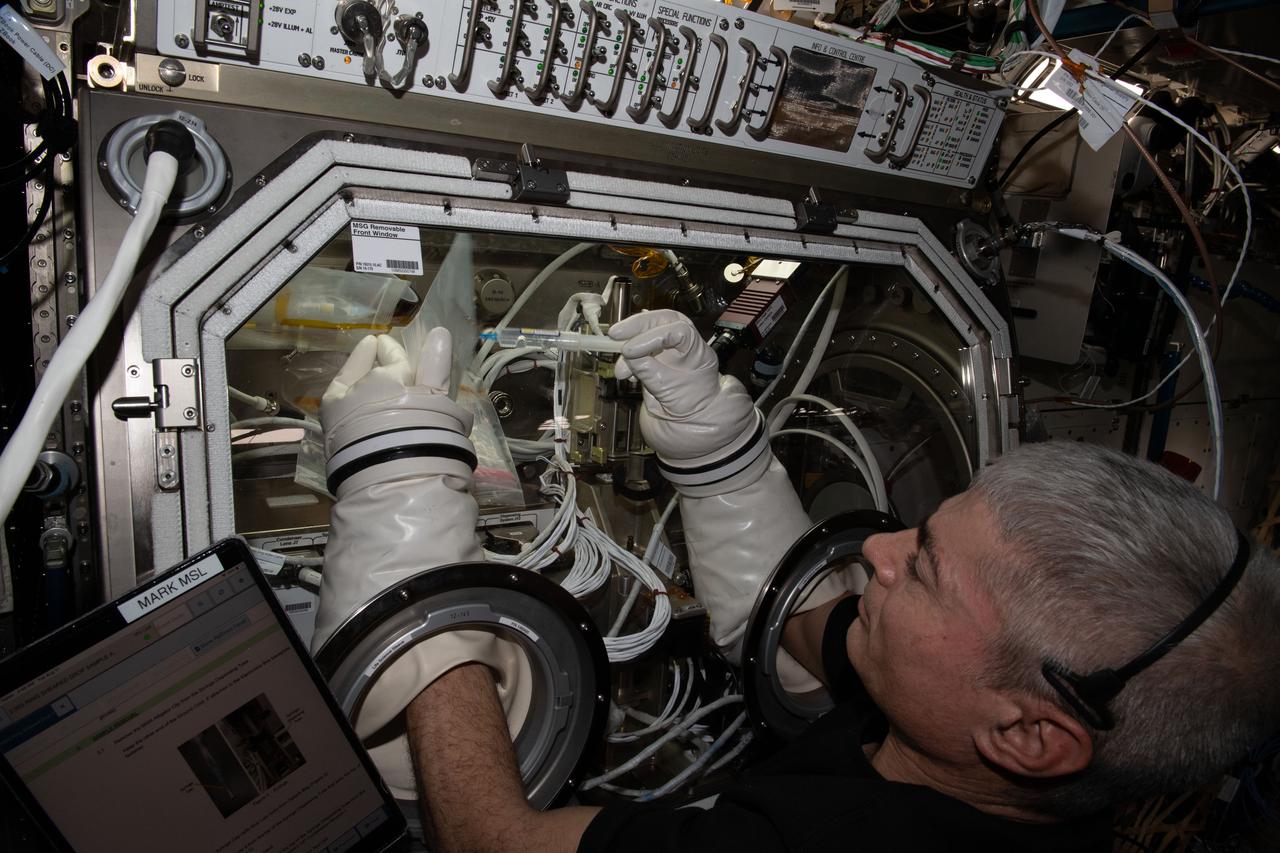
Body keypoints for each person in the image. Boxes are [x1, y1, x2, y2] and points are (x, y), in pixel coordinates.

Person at [315, 311, 1280, 853]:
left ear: (1030, 735)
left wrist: (399, 500)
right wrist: (719, 451)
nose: (878, 551)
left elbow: (486, 841)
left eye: (928, 569)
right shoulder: (966, 731)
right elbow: (796, 622)